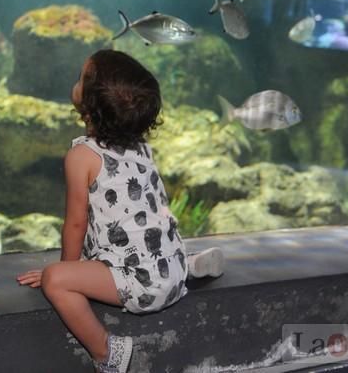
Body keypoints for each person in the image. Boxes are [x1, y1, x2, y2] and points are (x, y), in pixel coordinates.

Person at [17, 49, 223, 373]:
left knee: (56, 280)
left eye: (82, 78)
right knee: (150, 235)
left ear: (90, 105)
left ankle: (108, 354)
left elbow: (75, 225)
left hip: (142, 287)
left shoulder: (82, 157)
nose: (77, 80)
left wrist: (71, 275)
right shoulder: (141, 147)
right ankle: (186, 265)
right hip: (170, 269)